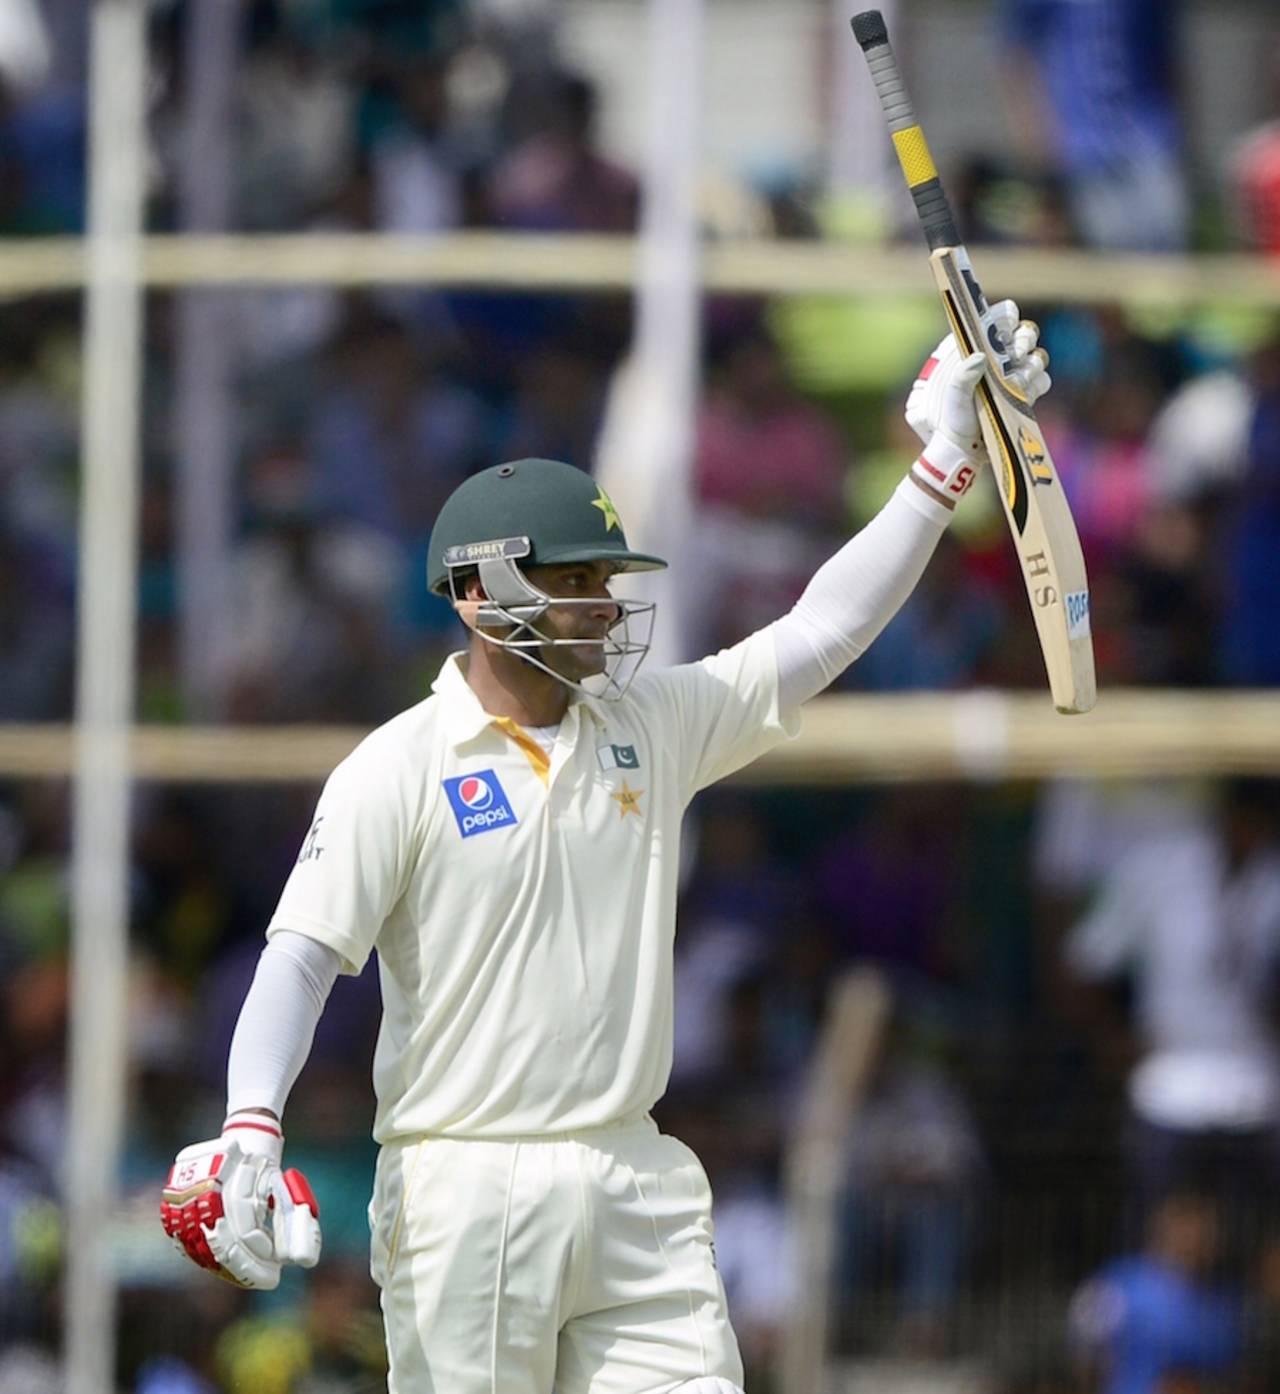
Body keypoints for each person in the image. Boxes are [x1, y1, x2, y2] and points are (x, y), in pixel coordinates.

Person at [161, 308, 1050, 1393]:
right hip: (464, 1184)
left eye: (603, 580)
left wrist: (944, 457)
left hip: (636, 1173)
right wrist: (250, 1122)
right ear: (480, 591)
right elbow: (300, 955)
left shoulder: (646, 724)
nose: (603, 605)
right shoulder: (394, 766)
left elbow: (816, 635)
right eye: (576, 581)